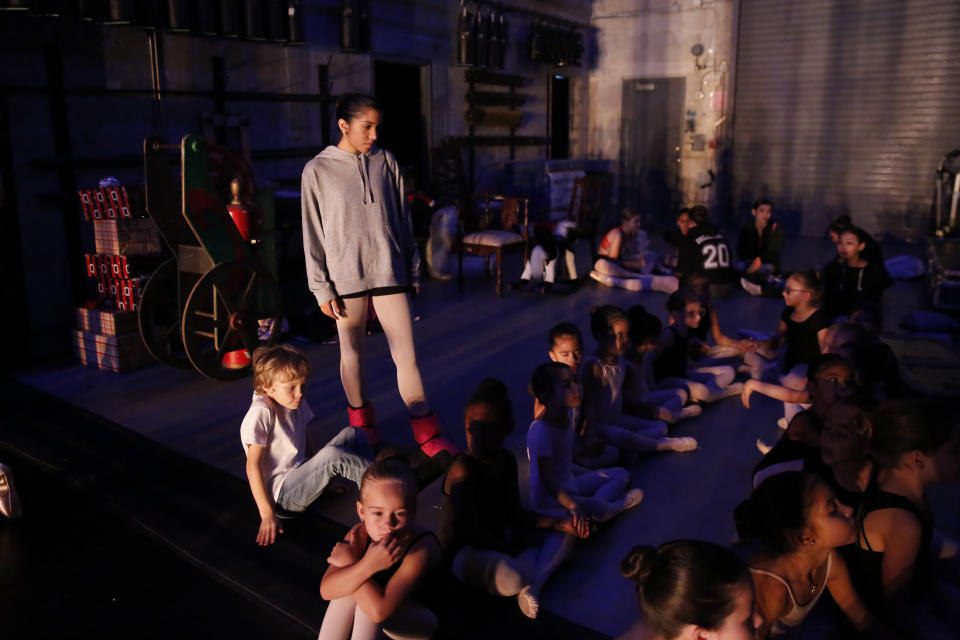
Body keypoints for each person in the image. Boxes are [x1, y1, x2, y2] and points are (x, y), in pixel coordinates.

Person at [301, 92, 457, 459]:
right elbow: (312, 232)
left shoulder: (386, 161)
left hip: (389, 269)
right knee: (352, 354)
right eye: (366, 126)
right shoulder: (317, 170)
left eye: (376, 127)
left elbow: (402, 219)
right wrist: (321, 288)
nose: (374, 135)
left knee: (407, 356)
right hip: (344, 276)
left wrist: (414, 268)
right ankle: (363, 429)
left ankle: (426, 430)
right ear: (344, 125)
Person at [441, 379, 589, 619]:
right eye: (471, 429)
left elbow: (514, 513)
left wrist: (557, 523)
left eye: (487, 430)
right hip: (465, 555)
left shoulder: (506, 460)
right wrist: (513, 550)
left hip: (501, 541)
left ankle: (534, 584)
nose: (477, 438)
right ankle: (534, 572)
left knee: (567, 530)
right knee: (513, 577)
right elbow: (470, 533)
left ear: (506, 429)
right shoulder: (463, 469)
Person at [240, 344, 374, 546]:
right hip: (283, 498)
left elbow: (304, 434)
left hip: (299, 475)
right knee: (332, 456)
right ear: (268, 387)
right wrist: (267, 515)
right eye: (292, 387)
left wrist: (321, 479)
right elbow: (252, 466)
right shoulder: (261, 412)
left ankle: (379, 481)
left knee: (354, 434)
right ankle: (382, 494)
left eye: (303, 385)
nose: (300, 393)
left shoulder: (293, 400)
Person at [734, 471, 888, 638]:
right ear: (804, 537)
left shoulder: (829, 559)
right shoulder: (772, 588)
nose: (849, 510)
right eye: (833, 509)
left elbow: (854, 609)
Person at [852, 397, 960, 632]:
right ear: (917, 458)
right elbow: (895, 606)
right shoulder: (903, 523)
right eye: (954, 451)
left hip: (918, 586)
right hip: (888, 621)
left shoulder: (896, 480)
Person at [319, 453, 442, 640]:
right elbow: (327, 590)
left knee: (363, 600)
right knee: (348, 589)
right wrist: (361, 568)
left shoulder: (421, 547)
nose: (388, 524)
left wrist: (358, 563)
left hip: (420, 621)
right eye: (377, 513)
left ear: (413, 512)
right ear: (361, 511)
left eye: (399, 514)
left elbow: (379, 611)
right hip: (380, 610)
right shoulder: (359, 533)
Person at [527, 361, 646, 521]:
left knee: (621, 474)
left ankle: (595, 510)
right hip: (551, 501)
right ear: (546, 397)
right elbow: (549, 481)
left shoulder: (567, 415)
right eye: (567, 385)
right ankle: (615, 507)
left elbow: (565, 464)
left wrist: (595, 475)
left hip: (570, 486)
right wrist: (572, 505)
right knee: (596, 508)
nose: (576, 388)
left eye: (575, 381)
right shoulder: (540, 430)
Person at [582, 306, 699, 455]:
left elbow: (620, 395)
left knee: (659, 428)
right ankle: (666, 445)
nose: (625, 340)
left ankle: (633, 447)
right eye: (619, 335)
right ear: (600, 336)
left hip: (617, 419)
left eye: (627, 335)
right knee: (622, 436)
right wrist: (590, 436)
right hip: (600, 426)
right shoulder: (594, 366)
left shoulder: (619, 360)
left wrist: (645, 408)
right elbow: (588, 405)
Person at [749, 354, 855, 489]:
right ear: (812, 387)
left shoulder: (831, 404)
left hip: (801, 473)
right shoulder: (805, 424)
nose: (843, 388)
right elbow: (839, 459)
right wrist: (753, 385)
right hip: (769, 479)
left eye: (849, 382)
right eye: (833, 380)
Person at [619, 540, 760, 640]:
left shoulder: (666, 620)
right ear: (701, 637)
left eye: (754, 604)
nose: (759, 620)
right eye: (746, 620)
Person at [644, 291, 743, 404]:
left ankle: (706, 393)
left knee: (729, 371)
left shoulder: (684, 331)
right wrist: (653, 389)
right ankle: (726, 391)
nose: (698, 317)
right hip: (666, 380)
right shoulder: (669, 335)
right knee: (703, 392)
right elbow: (648, 360)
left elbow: (684, 360)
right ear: (677, 314)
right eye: (691, 313)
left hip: (683, 374)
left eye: (700, 312)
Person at [547, 322, 620, 469]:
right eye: (565, 354)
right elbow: (544, 427)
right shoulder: (549, 384)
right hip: (552, 445)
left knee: (613, 453)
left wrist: (589, 436)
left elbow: (588, 410)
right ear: (553, 356)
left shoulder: (579, 379)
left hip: (573, 439)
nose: (573, 359)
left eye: (577, 352)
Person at [590, 208, 678, 293]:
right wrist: (635, 264)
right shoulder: (618, 234)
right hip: (606, 265)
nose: (639, 224)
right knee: (604, 265)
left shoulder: (630, 235)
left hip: (617, 266)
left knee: (652, 256)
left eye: (639, 221)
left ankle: (653, 272)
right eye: (635, 221)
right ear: (625, 222)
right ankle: (641, 276)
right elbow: (614, 260)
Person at [822, 226, 892, 319]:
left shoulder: (871, 271)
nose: (843, 247)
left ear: (861, 246)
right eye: (840, 242)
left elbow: (873, 302)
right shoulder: (833, 268)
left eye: (849, 243)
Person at [684, 205, 737, 297]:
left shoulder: (692, 235)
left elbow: (686, 266)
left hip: (706, 288)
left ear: (691, 222)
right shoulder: (720, 233)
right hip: (728, 286)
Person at [737, 198, 784, 297]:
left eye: (768, 211)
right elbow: (740, 250)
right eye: (762, 211)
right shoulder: (746, 228)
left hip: (765, 263)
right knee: (737, 266)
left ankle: (751, 280)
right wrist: (749, 262)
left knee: (765, 269)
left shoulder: (775, 228)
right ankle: (750, 279)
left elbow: (774, 252)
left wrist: (758, 262)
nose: (766, 214)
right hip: (750, 261)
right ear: (754, 212)